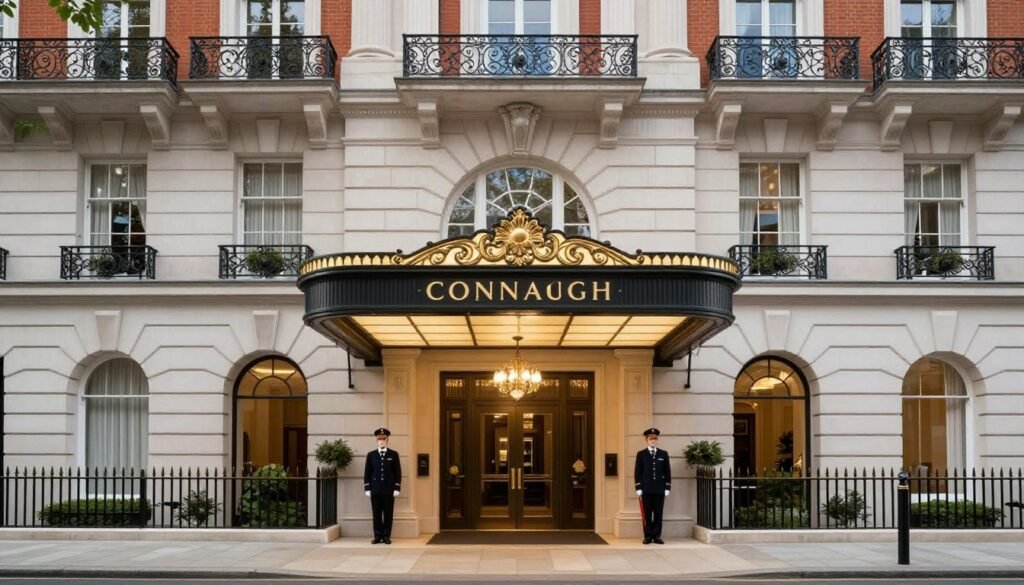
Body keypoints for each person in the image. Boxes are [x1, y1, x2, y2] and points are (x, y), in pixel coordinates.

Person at [364, 427, 401, 544]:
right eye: (379, 438)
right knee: (376, 514)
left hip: (389, 490)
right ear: (376, 439)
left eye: (383, 438)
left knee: (388, 514)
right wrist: (367, 488)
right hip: (375, 490)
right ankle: (377, 536)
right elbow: (367, 473)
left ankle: (386, 536)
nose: (381, 440)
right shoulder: (371, 455)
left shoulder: (394, 454)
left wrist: (397, 487)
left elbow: (398, 472)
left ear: (387, 439)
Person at [634, 427, 671, 544]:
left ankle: (657, 536)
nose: (653, 440)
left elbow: (667, 471)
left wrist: (667, 487)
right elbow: (637, 472)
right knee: (647, 513)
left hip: (659, 489)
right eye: (651, 438)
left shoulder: (663, 454)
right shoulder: (641, 454)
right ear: (646, 440)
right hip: (646, 489)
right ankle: (648, 535)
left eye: (655, 438)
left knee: (658, 513)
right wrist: (638, 487)